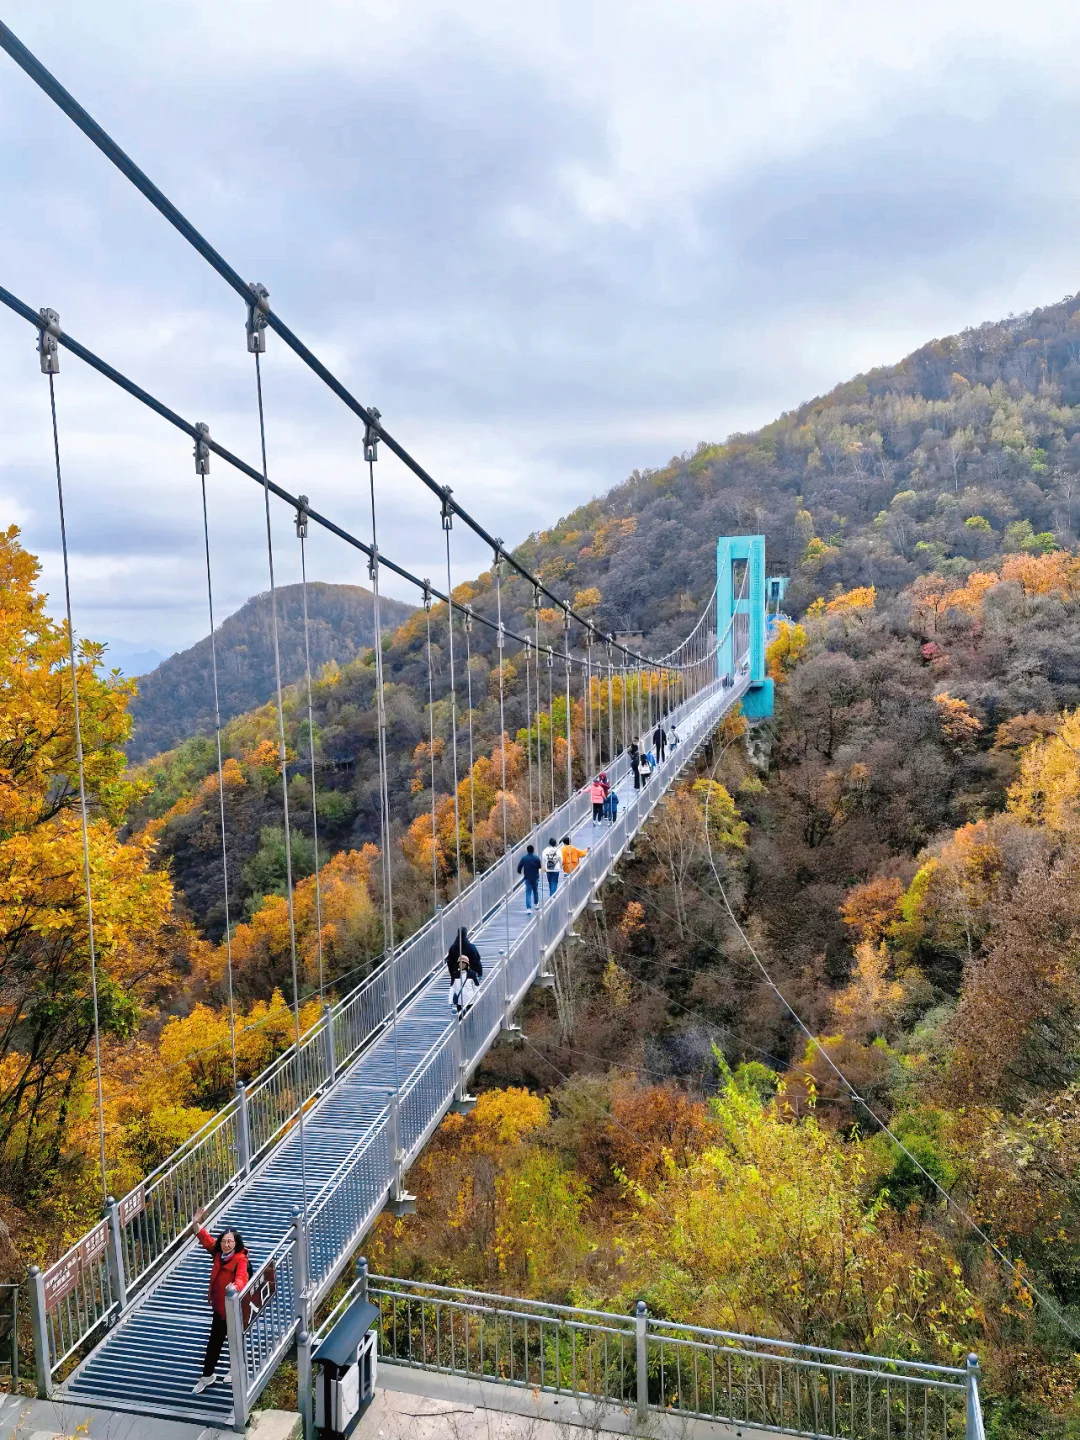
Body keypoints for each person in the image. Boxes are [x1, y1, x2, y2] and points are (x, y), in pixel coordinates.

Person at [191, 1207, 250, 1393]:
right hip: (219, 1308)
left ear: (236, 1243)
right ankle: (208, 1376)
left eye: (230, 1241)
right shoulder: (218, 1254)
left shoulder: (240, 1259)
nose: (226, 1244)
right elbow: (207, 1240)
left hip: (232, 1309)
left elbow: (242, 1277)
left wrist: (234, 1288)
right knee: (215, 1342)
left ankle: (235, 1370)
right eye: (224, 1241)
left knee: (232, 1339)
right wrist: (195, 1224)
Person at [517, 844, 541, 911]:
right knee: (535, 891)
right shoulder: (536, 858)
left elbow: (519, 866)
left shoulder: (524, 858)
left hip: (527, 877)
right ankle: (536, 904)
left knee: (528, 892)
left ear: (527, 851)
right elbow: (539, 866)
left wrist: (519, 871)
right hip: (535, 877)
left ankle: (528, 908)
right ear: (533, 850)